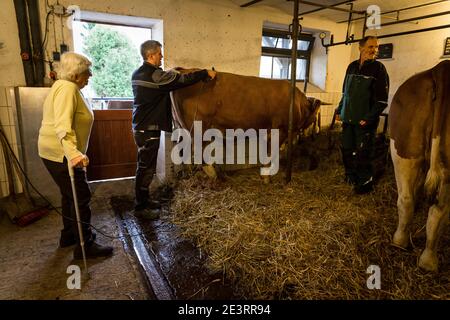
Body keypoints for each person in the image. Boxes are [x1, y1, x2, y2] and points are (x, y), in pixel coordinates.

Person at [38, 52, 113, 259]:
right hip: (61, 154)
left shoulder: (66, 87)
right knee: (81, 196)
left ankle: (70, 236)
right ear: (76, 74)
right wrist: (74, 154)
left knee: (68, 195)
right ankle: (85, 246)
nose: (90, 75)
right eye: (87, 71)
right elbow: (62, 126)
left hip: (54, 152)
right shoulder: (67, 89)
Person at [131, 40, 216, 219]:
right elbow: (182, 80)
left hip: (141, 126)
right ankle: (140, 208)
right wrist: (204, 72)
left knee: (145, 166)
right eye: (159, 53)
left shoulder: (138, 73)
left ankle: (144, 201)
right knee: (146, 168)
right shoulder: (154, 75)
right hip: (148, 128)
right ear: (151, 55)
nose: (162, 57)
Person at [335, 36, 390, 194]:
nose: (374, 50)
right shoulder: (351, 66)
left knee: (363, 152)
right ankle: (350, 177)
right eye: (371, 46)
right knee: (347, 149)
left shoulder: (378, 69)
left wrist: (367, 119)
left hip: (364, 121)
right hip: (348, 118)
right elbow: (345, 93)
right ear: (360, 48)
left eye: (376, 47)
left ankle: (365, 183)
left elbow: (381, 100)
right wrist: (340, 110)